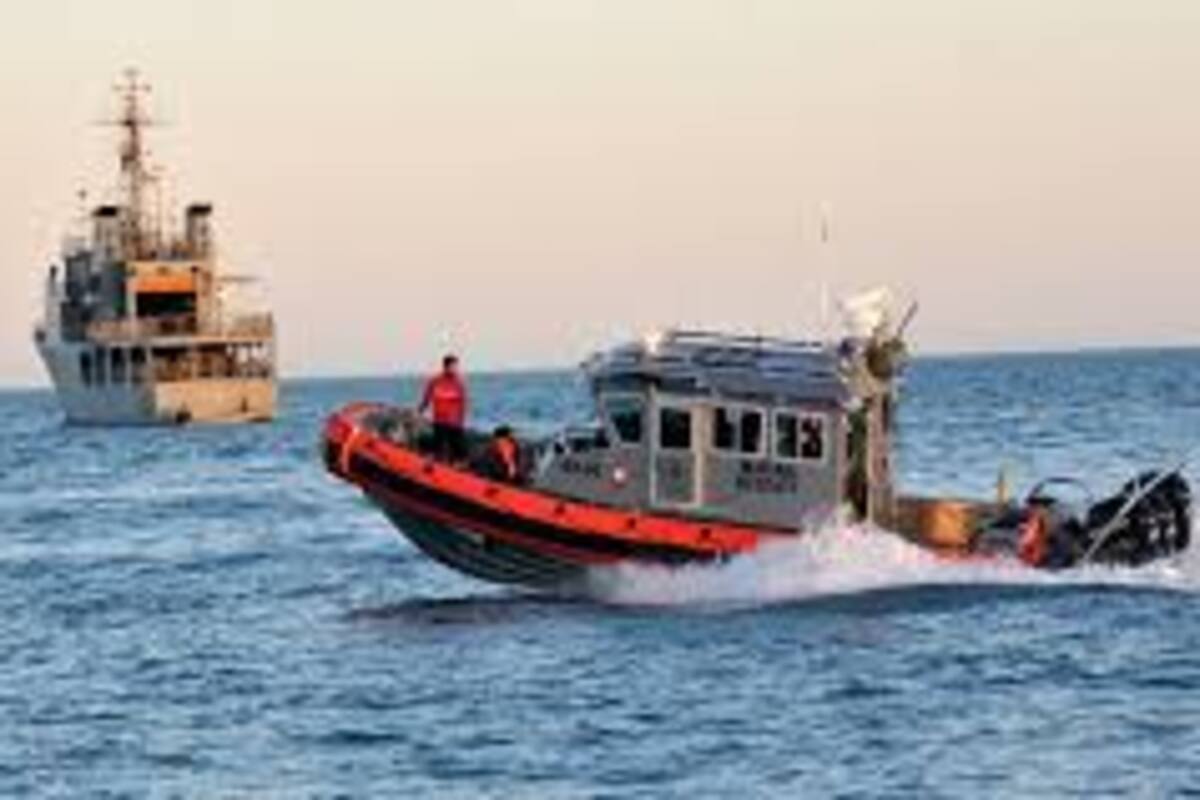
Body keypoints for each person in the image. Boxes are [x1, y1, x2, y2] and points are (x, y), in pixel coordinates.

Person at [419, 354, 469, 463]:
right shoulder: (435, 381)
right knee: (438, 446)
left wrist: (462, 419)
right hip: (439, 419)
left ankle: (458, 467)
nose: (455, 369)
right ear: (445, 366)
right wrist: (421, 410)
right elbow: (427, 397)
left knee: (458, 447)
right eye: (453, 366)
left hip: (454, 421)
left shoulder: (459, 383)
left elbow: (463, 402)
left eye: (456, 366)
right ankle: (437, 464)